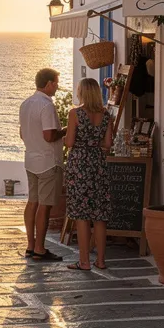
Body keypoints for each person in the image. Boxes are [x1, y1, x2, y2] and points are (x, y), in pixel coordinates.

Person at [64, 78, 114, 270]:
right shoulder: (106, 115)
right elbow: (108, 144)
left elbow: (69, 142)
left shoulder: (75, 114)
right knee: (99, 216)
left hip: (79, 166)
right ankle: (101, 261)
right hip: (98, 165)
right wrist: (95, 144)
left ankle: (84, 261)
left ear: (82, 92)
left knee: (82, 215)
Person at [19, 68, 65, 261]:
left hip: (31, 159)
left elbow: (22, 133)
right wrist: (64, 131)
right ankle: (40, 248)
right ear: (48, 84)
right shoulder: (46, 105)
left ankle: (30, 245)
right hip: (47, 161)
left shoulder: (25, 104)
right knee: (45, 206)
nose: (57, 87)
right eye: (55, 83)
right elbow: (49, 135)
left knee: (32, 202)